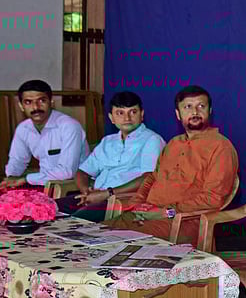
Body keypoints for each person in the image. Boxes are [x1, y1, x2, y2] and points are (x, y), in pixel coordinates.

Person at [103, 85, 239, 244]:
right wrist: (137, 204)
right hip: (145, 215)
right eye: (188, 107)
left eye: (201, 106)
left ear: (210, 111)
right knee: (93, 234)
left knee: (117, 242)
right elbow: (153, 178)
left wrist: (165, 213)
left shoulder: (221, 147)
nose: (195, 112)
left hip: (183, 223)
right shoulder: (174, 144)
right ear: (178, 114)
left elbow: (212, 199)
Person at [55, 91, 165, 222]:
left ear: (142, 115)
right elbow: (82, 172)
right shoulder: (108, 141)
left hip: (123, 200)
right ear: (111, 118)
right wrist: (86, 192)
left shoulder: (152, 140)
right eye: (120, 113)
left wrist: (107, 193)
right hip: (96, 195)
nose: (127, 118)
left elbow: (149, 178)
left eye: (133, 112)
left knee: (74, 221)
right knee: (50, 208)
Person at [1, 80, 89, 190]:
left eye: (42, 100)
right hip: (41, 183)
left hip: (71, 187)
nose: (35, 107)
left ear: (51, 102)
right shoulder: (23, 128)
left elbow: (67, 172)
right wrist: (11, 178)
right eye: (28, 102)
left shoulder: (69, 126)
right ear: (21, 106)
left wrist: (26, 179)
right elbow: (17, 161)